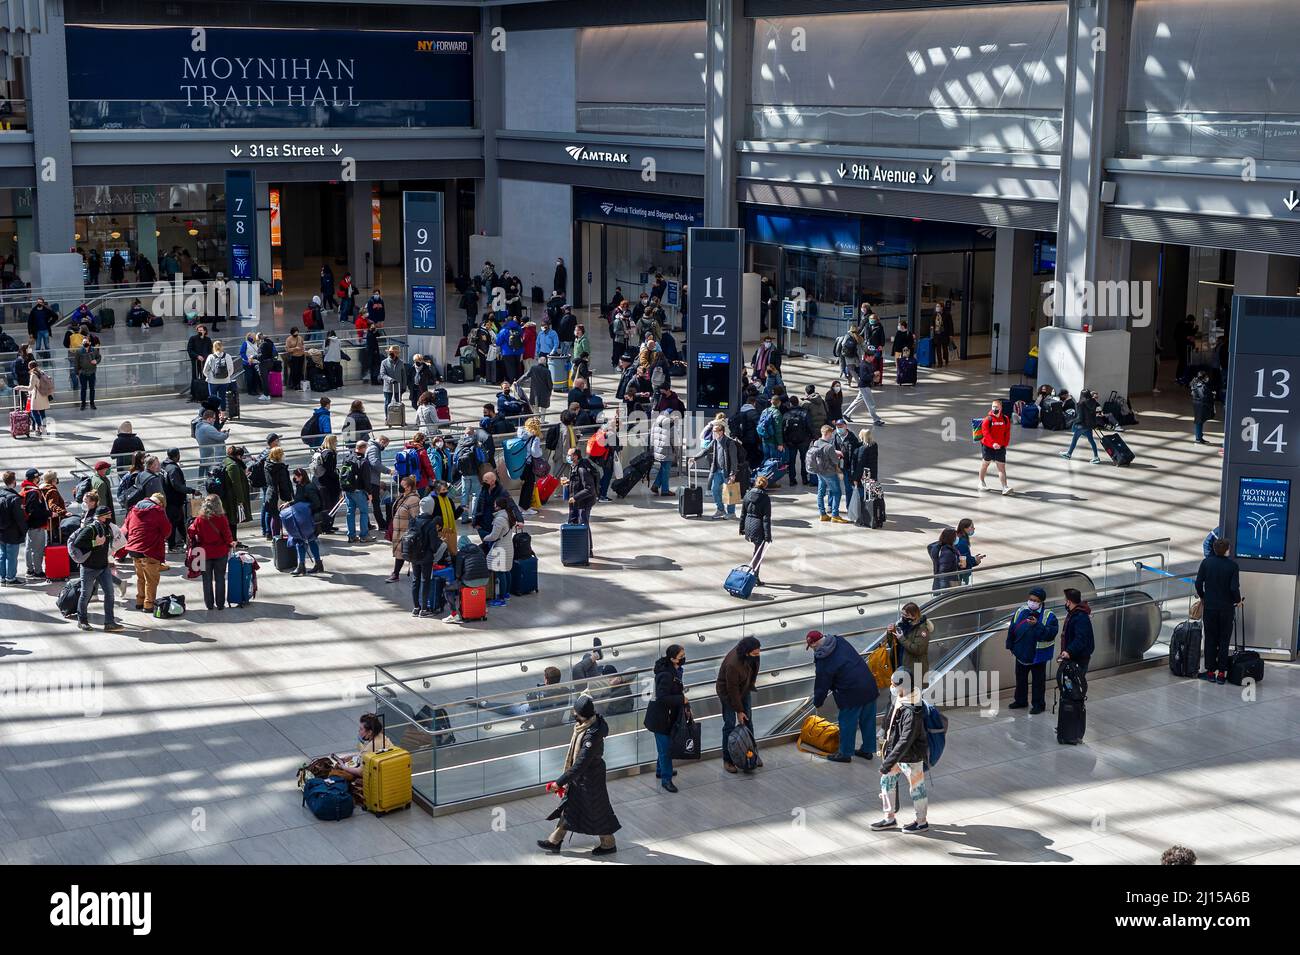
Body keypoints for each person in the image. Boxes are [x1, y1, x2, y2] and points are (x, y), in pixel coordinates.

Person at [537, 694, 621, 856]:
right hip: (582, 778)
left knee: (597, 810)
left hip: (590, 779)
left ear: (581, 714)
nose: (573, 714)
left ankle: (609, 843)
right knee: (570, 807)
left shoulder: (591, 735)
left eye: (575, 712)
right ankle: (555, 841)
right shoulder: (587, 725)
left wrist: (559, 782)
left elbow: (581, 763)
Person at [871, 669, 929, 833]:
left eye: (894, 684)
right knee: (886, 782)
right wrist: (883, 730)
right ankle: (889, 818)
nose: (891, 686)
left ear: (903, 686)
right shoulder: (901, 698)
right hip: (895, 753)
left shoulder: (912, 710)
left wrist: (887, 763)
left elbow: (906, 740)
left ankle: (921, 822)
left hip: (911, 757)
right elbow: (890, 715)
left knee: (917, 789)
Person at [808, 629, 879, 762]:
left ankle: (845, 753)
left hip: (850, 692)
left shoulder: (823, 659)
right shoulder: (839, 640)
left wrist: (818, 702)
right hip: (868, 684)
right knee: (868, 720)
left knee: (847, 723)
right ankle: (868, 750)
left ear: (814, 644)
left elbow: (822, 683)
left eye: (811, 646)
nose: (812, 649)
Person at [1195, 538, 1242, 685]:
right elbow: (1234, 588)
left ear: (1214, 549)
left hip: (1210, 608)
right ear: (1227, 549)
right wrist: (1238, 600)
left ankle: (1209, 672)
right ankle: (1221, 674)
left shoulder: (1206, 563)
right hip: (1226, 609)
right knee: (1223, 641)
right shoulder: (1233, 566)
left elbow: (1198, 583)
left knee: (1210, 639)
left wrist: (1203, 597)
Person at [70, 506, 125, 632]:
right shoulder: (90, 528)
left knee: (110, 594)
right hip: (89, 568)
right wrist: (95, 543)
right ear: (100, 517)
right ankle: (82, 620)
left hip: (103, 567)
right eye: (107, 515)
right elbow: (78, 543)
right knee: (85, 595)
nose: (110, 518)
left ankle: (109, 622)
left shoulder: (106, 527)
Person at [1006, 586, 1060, 713]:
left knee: (1038, 682)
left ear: (1041, 602)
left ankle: (1038, 705)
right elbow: (1012, 628)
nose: (1032, 602)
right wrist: (1010, 645)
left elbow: (1049, 634)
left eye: (1035, 600)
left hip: (1038, 656)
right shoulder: (1021, 611)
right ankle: (1020, 700)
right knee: (1021, 679)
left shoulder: (1049, 616)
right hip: (1021, 653)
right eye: (1030, 599)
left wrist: (1037, 625)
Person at [643, 645, 688, 793]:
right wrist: (681, 699)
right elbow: (662, 698)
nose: (683, 658)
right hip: (660, 719)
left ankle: (660, 770)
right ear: (673, 659)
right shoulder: (666, 675)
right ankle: (666, 779)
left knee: (664, 747)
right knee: (666, 750)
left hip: (666, 716)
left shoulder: (674, 670)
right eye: (681, 656)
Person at [716, 635, 762, 774]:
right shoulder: (733, 664)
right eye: (755, 653)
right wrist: (739, 711)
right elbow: (732, 690)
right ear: (747, 652)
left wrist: (750, 685)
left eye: (758, 651)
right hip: (729, 694)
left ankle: (752, 753)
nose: (758, 654)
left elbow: (754, 671)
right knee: (729, 725)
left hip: (744, 688)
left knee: (748, 722)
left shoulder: (753, 655)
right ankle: (728, 760)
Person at [122, 492, 172, 613]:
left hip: (133, 549)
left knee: (140, 577)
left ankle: (140, 601)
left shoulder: (133, 510)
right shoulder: (157, 511)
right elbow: (167, 531)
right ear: (160, 503)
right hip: (149, 549)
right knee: (151, 579)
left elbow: (127, 526)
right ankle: (148, 605)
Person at [401, 493, 445, 615]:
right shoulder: (431, 524)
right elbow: (433, 545)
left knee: (415, 580)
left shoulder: (413, 521)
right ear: (431, 508)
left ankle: (416, 607)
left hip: (414, 556)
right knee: (426, 581)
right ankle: (424, 609)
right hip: (426, 557)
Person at [188, 494, 234, 610]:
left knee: (206, 580)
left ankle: (209, 604)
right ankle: (220, 604)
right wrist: (231, 543)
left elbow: (191, 533)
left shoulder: (199, 519)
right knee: (220, 578)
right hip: (220, 552)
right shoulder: (222, 518)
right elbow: (227, 535)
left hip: (204, 553)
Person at [443, 533, 490, 624]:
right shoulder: (480, 550)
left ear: (460, 546)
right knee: (478, 587)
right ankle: (482, 608)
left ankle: (454, 614)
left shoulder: (461, 553)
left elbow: (458, 574)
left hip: (469, 581)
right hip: (485, 580)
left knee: (448, 589)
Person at [698, 419, 740, 520]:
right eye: (713, 431)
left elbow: (734, 460)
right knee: (714, 489)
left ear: (721, 432)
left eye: (715, 431)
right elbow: (706, 451)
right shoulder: (715, 441)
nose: (713, 433)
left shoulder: (730, 443)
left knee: (729, 492)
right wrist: (694, 458)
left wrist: (732, 474)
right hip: (717, 471)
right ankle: (720, 509)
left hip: (727, 472)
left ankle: (731, 513)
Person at [288, 468, 326, 576]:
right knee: (306, 540)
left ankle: (303, 566)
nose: (294, 478)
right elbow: (299, 500)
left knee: (304, 540)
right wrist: (290, 503)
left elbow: (316, 503)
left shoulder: (309, 487)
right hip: (304, 518)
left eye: (296, 476)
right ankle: (313, 564)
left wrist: (304, 509)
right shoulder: (301, 486)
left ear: (301, 476)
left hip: (309, 518)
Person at [807, 424, 846, 523]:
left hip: (819, 472)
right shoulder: (829, 446)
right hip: (830, 473)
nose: (832, 435)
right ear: (828, 433)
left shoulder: (816, 442)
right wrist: (838, 455)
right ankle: (835, 515)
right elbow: (835, 461)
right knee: (837, 492)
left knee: (821, 493)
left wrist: (833, 452)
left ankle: (822, 514)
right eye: (831, 434)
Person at [889, 602, 933, 688]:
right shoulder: (902, 625)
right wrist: (891, 632)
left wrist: (902, 638)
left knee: (914, 695)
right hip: (902, 665)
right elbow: (892, 644)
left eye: (905, 615)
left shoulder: (922, 630)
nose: (903, 617)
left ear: (913, 616)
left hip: (915, 670)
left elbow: (918, 650)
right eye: (902, 614)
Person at [483, 496, 517, 607]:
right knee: (507, 571)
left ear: (498, 506)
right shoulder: (509, 515)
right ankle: (506, 593)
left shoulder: (499, 519)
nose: (494, 506)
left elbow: (494, 536)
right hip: (508, 546)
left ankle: (501, 599)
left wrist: (485, 538)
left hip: (500, 549)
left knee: (500, 573)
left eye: (495, 504)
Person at [341, 440, 374, 543]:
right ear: (363, 448)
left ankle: (351, 536)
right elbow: (366, 479)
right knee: (364, 512)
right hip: (359, 491)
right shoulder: (364, 462)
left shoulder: (347, 458)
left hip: (348, 490)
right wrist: (369, 493)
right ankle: (364, 535)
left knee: (350, 512)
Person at [977, 399, 1012, 494]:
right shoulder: (987, 419)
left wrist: (1005, 444)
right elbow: (985, 433)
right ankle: (981, 482)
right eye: (993, 407)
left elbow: (1007, 433)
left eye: (996, 407)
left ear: (1001, 408)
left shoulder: (1005, 419)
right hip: (988, 446)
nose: (994, 409)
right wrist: (993, 443)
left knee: (1001, 467)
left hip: (1000, 447)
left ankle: (1005, 487)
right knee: (985, 464)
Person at [217, 445, 251, 543]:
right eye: (241, 456)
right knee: (233, 520)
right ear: (238, 456)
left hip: (227, 496)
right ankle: (233, 540)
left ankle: (231, 539)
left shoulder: (226, 461)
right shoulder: (234, 466)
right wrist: (241, 501)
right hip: (232, 498)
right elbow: (237, 485)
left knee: (230, 519)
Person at [1059, 388, 1102, 463]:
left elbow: (1080, 417)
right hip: (1089, 425)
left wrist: (1073, 421)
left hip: (1082, 425)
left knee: (1075, 439)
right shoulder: (1093, 402)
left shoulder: (1081, 404)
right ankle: (1096, 457)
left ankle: (1068, 454)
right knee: (1091, 441)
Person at [844, 349, 885, 426]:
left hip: (865, 386)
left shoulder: (869, 364)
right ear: (868, 356)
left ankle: (846, 414)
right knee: (871, 403)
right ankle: (876, 420)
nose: (873, 358)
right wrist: (874, 375)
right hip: (864, 386)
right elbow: (864, 377)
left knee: (858, 401)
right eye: (872, 356)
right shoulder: (863, 365)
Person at [0, 470, 27, 586]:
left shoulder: (1, 494)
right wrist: (24, 530)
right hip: (12, 532)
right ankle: (10, 578)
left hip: (1, 531)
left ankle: (2, 577)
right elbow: (19, 518)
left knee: (2, 554)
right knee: (11, 556)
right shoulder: (15, 498)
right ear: (14, 482)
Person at [1059, 588, 1094, 674]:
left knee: (1075, 684)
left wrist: (1069, 651)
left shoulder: (1080, 616)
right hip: (1074, 655)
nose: (1065, 603)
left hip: (1078, 657)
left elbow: (1080, 638)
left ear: (1069, 602)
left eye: (1065, 600)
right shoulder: (1074, 613)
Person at [649, 407, 679, 496]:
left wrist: (653, 448)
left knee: (663, 469)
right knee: (666, 471)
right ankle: (665, 490)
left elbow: (652, 436)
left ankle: (655, 485)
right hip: (668, 450)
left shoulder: (656, 423)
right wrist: (676, 451)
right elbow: (674, 440)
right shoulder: (671, 425)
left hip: (658, 449)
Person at [202, 341, 237, 411]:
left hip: (212, 381)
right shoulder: (228, 356)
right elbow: (231, 370)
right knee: (222, 397)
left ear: (214, 348)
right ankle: (223, 415)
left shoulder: (211, 357)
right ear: (222, 347)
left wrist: (209, 376)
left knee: (212, 398)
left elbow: (205, 370)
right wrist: (227, 376)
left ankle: (215, 414)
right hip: (225, 381)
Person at [928, 527, 962, 591]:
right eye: (955, 537)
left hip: (940, 584)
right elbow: (944, 571)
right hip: (948, 585)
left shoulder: (940, 547)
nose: (957, 538)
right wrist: (959, 565)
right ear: (951, 538)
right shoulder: (947, 552)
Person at [74, 333, 101, 410]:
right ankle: (83, 404)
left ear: (89, 343)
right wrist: (77, 372)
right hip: (83, 373)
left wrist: (96, 361)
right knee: (83, 389)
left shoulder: (94, 350)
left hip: (92, 372)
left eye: (86, 342)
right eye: (84, 342)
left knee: (92, 389)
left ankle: (92, 403)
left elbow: (99, 357)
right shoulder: (79, 351)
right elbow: (76, 362)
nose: (85, 343)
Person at [954, 517, 983, 586]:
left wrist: (973, 558)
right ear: (965, 528)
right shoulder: (962, 542)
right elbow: (964, 561)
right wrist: (975, 560)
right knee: (960, 590)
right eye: (972, 527)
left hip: (957, 572)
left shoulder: (958, 538)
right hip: (961, 575)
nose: (974, 529)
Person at [1191, 369, 1215, 445]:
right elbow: (1203, 396)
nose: (1207, 378)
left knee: (1199, 421)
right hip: (1200, 405)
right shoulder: (1200, 385)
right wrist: (1212, 395)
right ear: (1203, 377)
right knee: (1199, 422)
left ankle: (1199, 437)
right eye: (1206, 376)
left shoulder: (1195, 382)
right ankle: (1198, 439)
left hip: (1197, 404)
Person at [379, 345, 407, 411]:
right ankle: (387, 418)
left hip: (398, 387)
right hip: (388, 388)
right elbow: (382, 374)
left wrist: (404, 387)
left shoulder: (401, 362)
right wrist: (391, 380)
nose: (391, 353)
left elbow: (403, 375)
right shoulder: (384, 362)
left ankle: (399, 418)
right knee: (387, 403)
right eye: (390, 352)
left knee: (398, 403)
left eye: (393, 352)